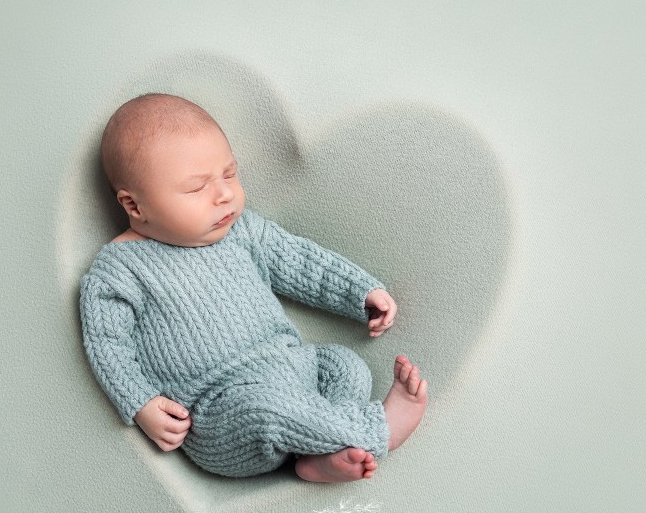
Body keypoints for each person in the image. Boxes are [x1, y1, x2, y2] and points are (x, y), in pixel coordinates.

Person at [79, 93, 428, 482]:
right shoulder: (119, 269)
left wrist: (358, 292)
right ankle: (378, 430)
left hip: (292, 367)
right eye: (197, 188)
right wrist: (140, 402)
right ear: (135, 205)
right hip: (222, 409)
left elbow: (298, 261)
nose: (224, 193)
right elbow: (107, 343)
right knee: (267, 408)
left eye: (229, 174)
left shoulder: (241, 229)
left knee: (347, 368)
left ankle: (321, 455)